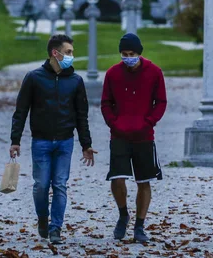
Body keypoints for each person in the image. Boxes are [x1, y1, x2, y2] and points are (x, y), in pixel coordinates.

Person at [9, 34, 97, 244]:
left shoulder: (76, 81)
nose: (71, 56)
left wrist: (86, 144)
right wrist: (15, 140)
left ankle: (55, 227)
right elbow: (20, 111)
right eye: (68, 52)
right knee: (41, 185)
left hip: (65, 142)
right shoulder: (34, 78)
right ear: (54, 53)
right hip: (41, 141)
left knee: (59, 185)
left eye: (72, 53)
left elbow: (81, 115)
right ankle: (42, 218)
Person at [100, 33, 167, 243]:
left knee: (144, 181)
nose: (127, 57)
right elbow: (105, 102)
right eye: (124, 54)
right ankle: (123, 215)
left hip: (144, 136)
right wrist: (113, 122)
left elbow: (161, 101)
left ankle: (139, 225)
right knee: (117, 177)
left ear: (139, 53)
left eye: (131, 54)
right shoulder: (112, 74)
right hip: (119, 135)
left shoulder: (154, 72)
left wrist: (149, 121)